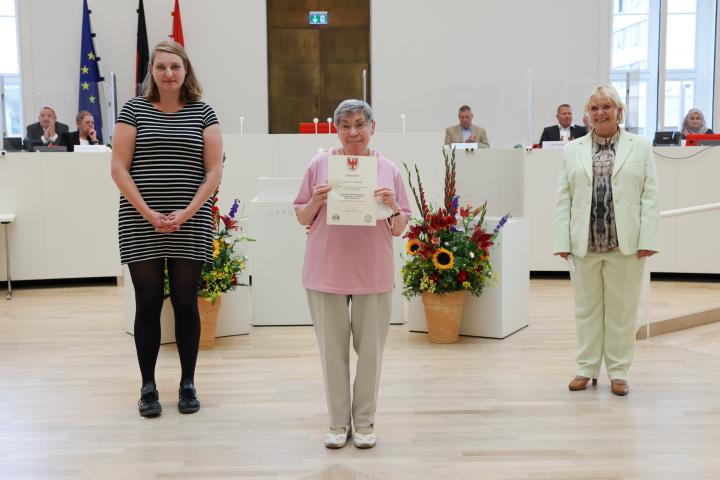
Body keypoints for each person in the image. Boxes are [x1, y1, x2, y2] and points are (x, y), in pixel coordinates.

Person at [111, 41, 223, 418]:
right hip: (140, 222)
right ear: (152, 72)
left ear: (186, 69)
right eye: (161, 67)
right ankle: (148, 387)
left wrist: (187, 213)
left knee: (186, 303)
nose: (169, 73)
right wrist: (149, 214)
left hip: (189, 223)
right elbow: (119, 169)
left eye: (175, 66)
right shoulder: (133, 110)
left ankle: (188, 383)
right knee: (147, 304)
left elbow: (213, 172)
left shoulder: (203, 113)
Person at [293, 99, 411, 449]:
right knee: (332, 350)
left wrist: (392, 206)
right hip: (326, 269)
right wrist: (315, 200)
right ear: (336, 130)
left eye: (360, 124)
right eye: (345, 125)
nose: (353, 132)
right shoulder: (320, 164)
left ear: (373, 128)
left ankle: (364, 422)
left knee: (371, 351)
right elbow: (301, 216)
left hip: (372, 271)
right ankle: (337, 422)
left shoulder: (388, 169)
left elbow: (399, 228)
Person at [553, 85, 659, 397]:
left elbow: (650, 195)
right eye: (595, 108)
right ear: (589, 113)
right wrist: (562, 239)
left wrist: (648, 237)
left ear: (619, 112)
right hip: (584, 243)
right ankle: (586, 367)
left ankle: (619, 371)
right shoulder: (572, 150)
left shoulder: (639, 147)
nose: (600, 113)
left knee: (622, 310)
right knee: (586, 309)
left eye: (607, 107)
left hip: (625, 244)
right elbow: (564, 198)